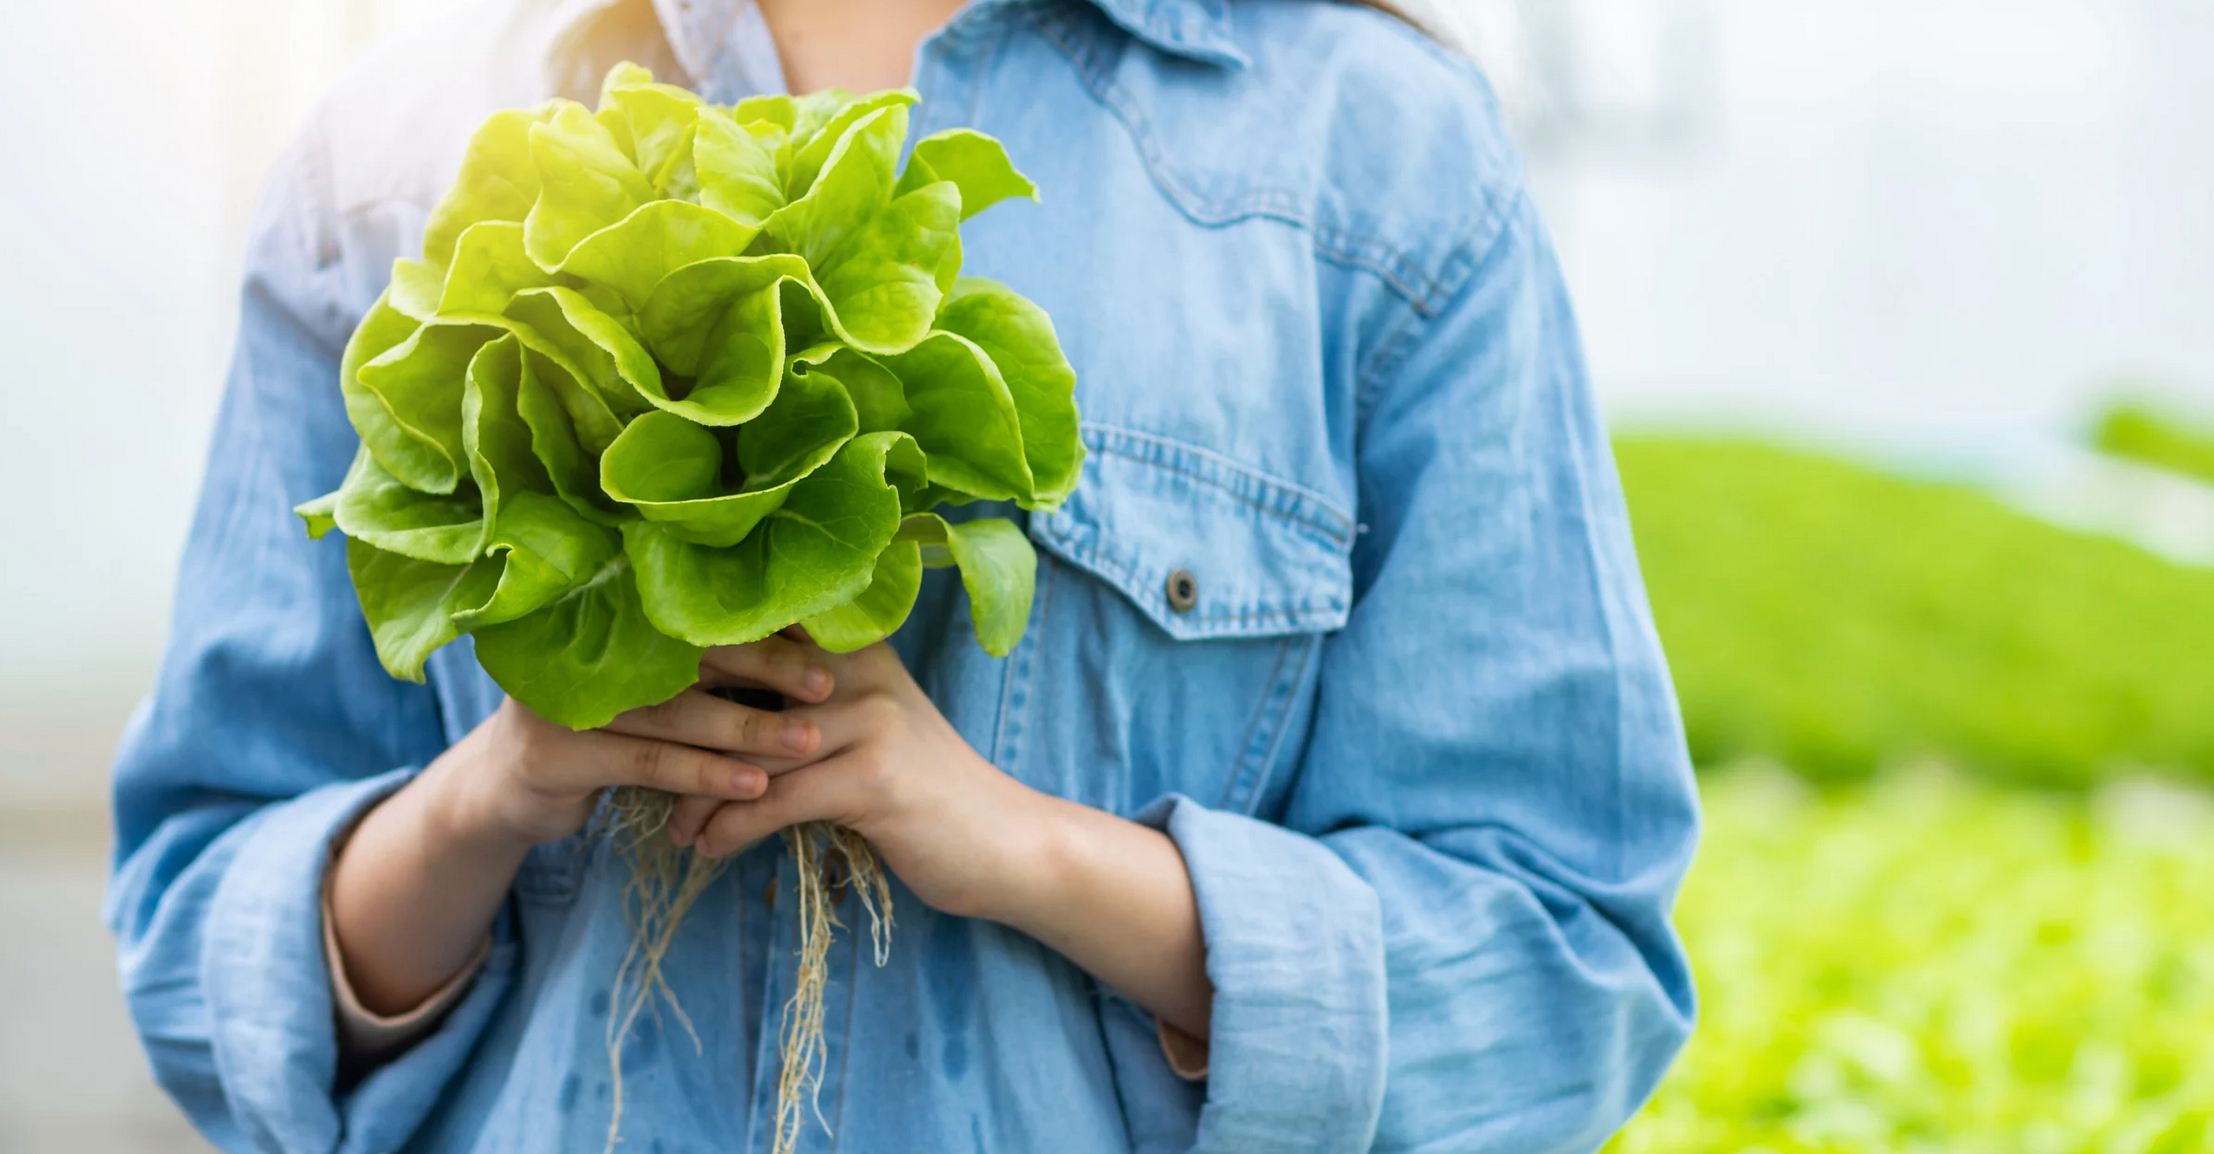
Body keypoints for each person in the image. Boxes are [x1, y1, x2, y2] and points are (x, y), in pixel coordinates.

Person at [105, 0, 1700, 1150]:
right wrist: (497, 786)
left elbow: (1559, 965)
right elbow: (196, 939)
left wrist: (1030, 853)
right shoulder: (383, 166)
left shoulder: (1371, 163)